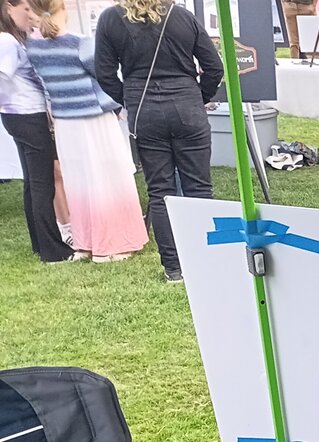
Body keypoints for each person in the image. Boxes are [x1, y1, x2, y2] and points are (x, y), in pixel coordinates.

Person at [95, 0, 220, 283]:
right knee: (199, 188)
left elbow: (104, 74)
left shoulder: (110, 19)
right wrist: (199, 98)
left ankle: (174, 268)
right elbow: (214, 67)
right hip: (187, 104)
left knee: (161, 192)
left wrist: (129, 99)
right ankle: (206, 261)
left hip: (145, 109)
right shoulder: (182, 17)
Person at [24, 0, 145, 262]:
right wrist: (119, 105)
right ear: (63, 9)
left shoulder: (33, 47)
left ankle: (86, 243)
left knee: (78, 184)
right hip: (95, 121)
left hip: (65, 122)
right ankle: (113, 244)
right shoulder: (82, 44)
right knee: (108, 180)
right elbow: (106, 79)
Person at [0, 0, 72, 262]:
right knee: (42, 183)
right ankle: (54, 250)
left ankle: (40, 242)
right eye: (25, 9)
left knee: (33, 182)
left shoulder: (13, 40)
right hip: (27, 114)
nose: (30, 15)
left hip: (19, 114)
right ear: (9, 8)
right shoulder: (7, 42)